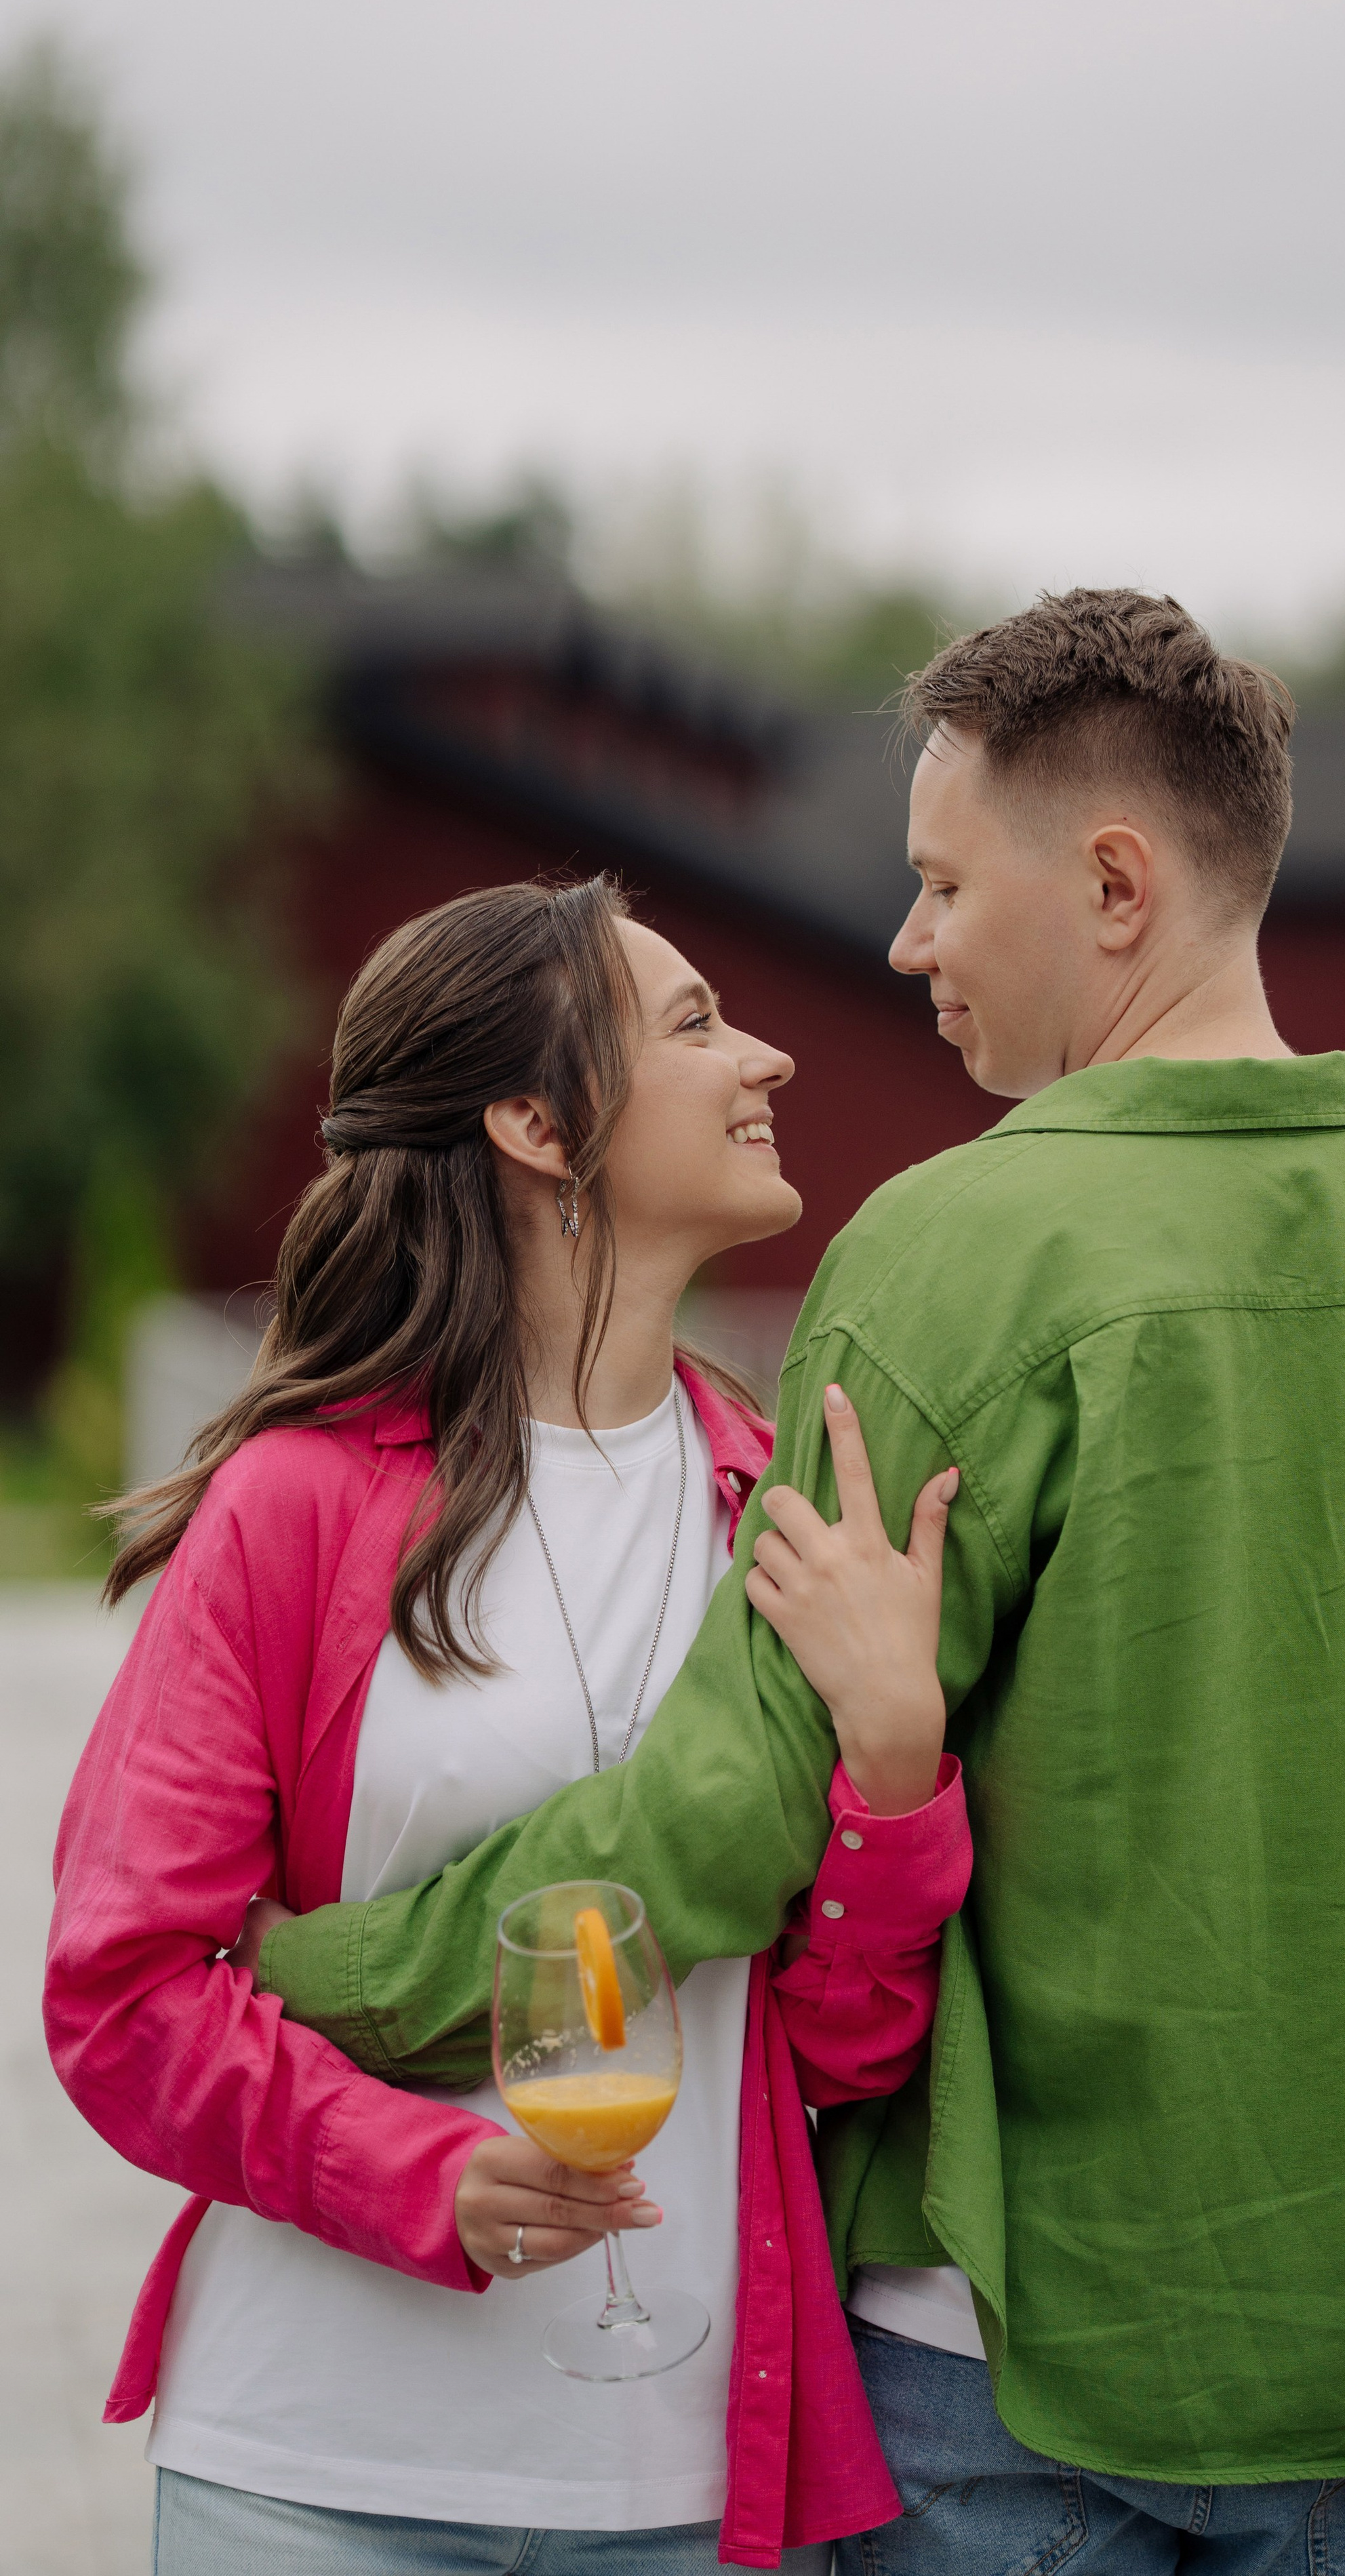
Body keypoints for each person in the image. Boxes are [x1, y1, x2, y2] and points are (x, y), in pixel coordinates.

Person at [235, 591, 1345, 2573]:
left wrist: (330, 1977)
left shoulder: (946, 1257)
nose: (905, 940)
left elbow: (723, 1820)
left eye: (935, 884)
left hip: (1005, 2366)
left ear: (1110, 882)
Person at [45, 879, 971, 2574]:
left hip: (679, 2483)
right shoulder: (295, 1507)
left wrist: (898, 1777)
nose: (766, 1054)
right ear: (540, 1125)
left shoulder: (772, 1513)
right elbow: (122, 1997)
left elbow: (838, 2049)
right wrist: (416, 2175)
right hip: (311, 2471)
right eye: (693, 1024)